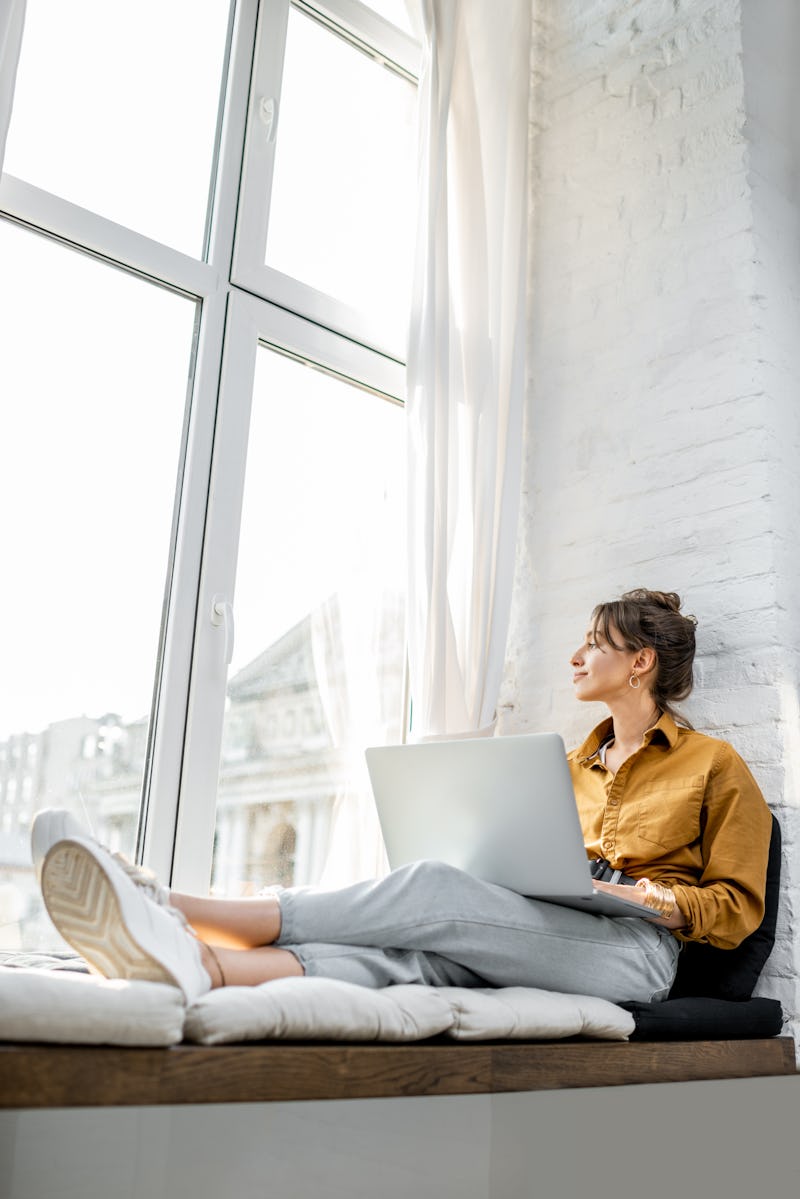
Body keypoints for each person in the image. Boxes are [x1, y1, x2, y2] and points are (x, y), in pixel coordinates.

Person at [31, 589, 772, 1007]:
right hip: (551, 922)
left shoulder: (715, 764)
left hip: (635, 953)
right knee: (414, 960)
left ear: (640, 662)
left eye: (594, 643)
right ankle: (203, 965)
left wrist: (654, 900)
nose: (575, 656)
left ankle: (170, 905)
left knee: (433, 889)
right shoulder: (565, 763)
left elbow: (739, 909)